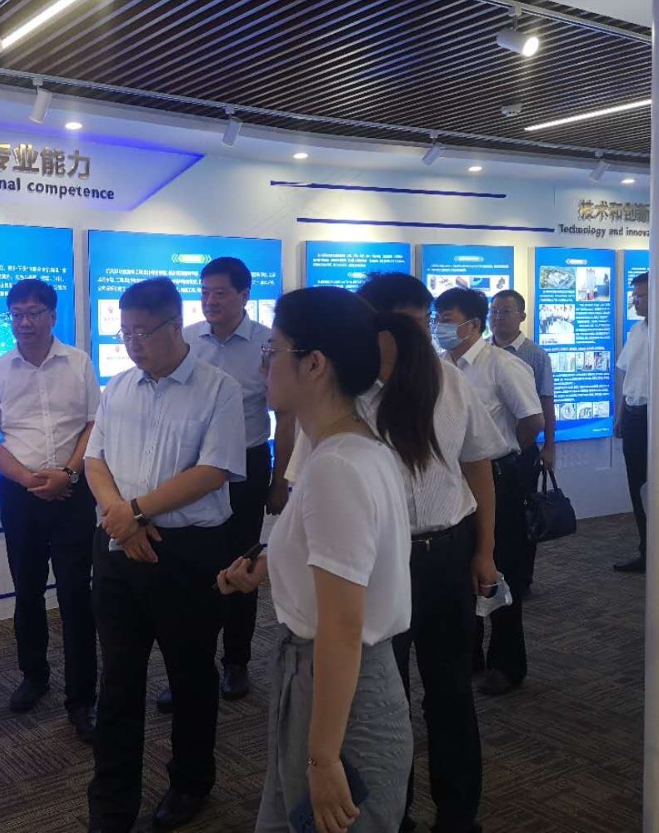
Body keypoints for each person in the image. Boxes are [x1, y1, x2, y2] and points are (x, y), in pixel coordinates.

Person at [220, 285, 435, 833]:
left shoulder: (337, 466)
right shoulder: (345, 449)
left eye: (273, 350)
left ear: (314, 364)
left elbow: (342, 626)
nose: (264, 365)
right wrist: (269, 566)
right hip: (331, 684)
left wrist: (322, 759)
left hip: (343, 696)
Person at [84, 276, 246, 833]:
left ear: (175, 327)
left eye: (143, 333)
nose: (133, 344)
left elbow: (214, 469)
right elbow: (95, 460)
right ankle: (112, 803)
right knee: (118, 679)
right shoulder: (118, 386)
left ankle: (191, 782)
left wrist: (135, 512)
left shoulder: (218, 389)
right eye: (125, 333)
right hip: (118, 548)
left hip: (187, 553)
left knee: (191, 674)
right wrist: (121, 517)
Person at [357, 274, 506, 833]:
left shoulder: (450, 380)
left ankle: (458, 814)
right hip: (378, 562)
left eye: (425, 323)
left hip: (448, 553)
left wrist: (485, 550)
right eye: (408, 325)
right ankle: (391, 815)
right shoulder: (346, 391)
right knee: (382, 701)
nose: (422, 336)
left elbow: (478, 465)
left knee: (450, 692)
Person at [0, 279, 100, 742]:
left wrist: (67, 473)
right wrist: (29, 480)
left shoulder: (79, 363)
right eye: (17, 314)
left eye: (33, 313)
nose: (24, 322)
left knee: (76, 595)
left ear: (52, 315)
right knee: (27, 589)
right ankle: (34, 675)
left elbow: (94, 424)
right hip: (20, 496)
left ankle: (82, 697)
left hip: (73, 492)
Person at [174, 256, 295, 704]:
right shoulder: (187, 341)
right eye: (204, 292)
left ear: (244, 295)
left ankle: (236, 661)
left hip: (246, 464)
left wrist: (280, 481)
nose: (210, 301)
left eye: (220, 293)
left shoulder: (268, 344)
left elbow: (285, 418)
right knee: (193, 565)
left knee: (242, 562)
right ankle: (191, 666)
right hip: (195, 467)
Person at [434, 288, 543, 698]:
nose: (439, 327)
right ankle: (470, 656)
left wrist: (504, 455)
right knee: (462, 567)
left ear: (472, 325)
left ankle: (507, 664)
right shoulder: (440, 366)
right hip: (454, 479)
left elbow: (531, 420)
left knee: (502, 567)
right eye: (437, 318)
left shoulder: (502, 365)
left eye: (446, 319)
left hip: (499, 478)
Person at [489, 289, 556, 599]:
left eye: (505, 311)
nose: (498, 317)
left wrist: (549, 445)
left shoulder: (534, 355)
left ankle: (522, 579)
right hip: (487, 451)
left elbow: (546, 402)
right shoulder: (481, 351)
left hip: (522, 449)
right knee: (491, 517)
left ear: (522, 316)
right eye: (494, 311)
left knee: (522, 516)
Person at [614, 272, 650, 573]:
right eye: (634, 295)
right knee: (636, 486)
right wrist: (620, 416)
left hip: (656, 419)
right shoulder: (636, 331)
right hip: (634, 418)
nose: (636, 301)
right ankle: (646, 549)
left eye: (641, 295)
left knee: (658, 487)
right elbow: (627, 377)